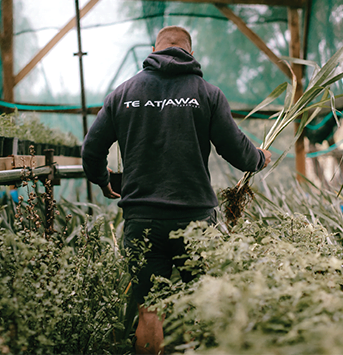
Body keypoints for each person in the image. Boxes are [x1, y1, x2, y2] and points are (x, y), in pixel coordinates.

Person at [81, 26, 271, 354]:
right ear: (189, 53)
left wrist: (105, 180)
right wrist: (260, 158)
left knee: (149, 309)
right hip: (195, 222)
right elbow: (238, 152)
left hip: (143, 222)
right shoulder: (207, 94)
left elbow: (90, 153)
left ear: (155, 50)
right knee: (204, 305)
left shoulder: (123, 94)